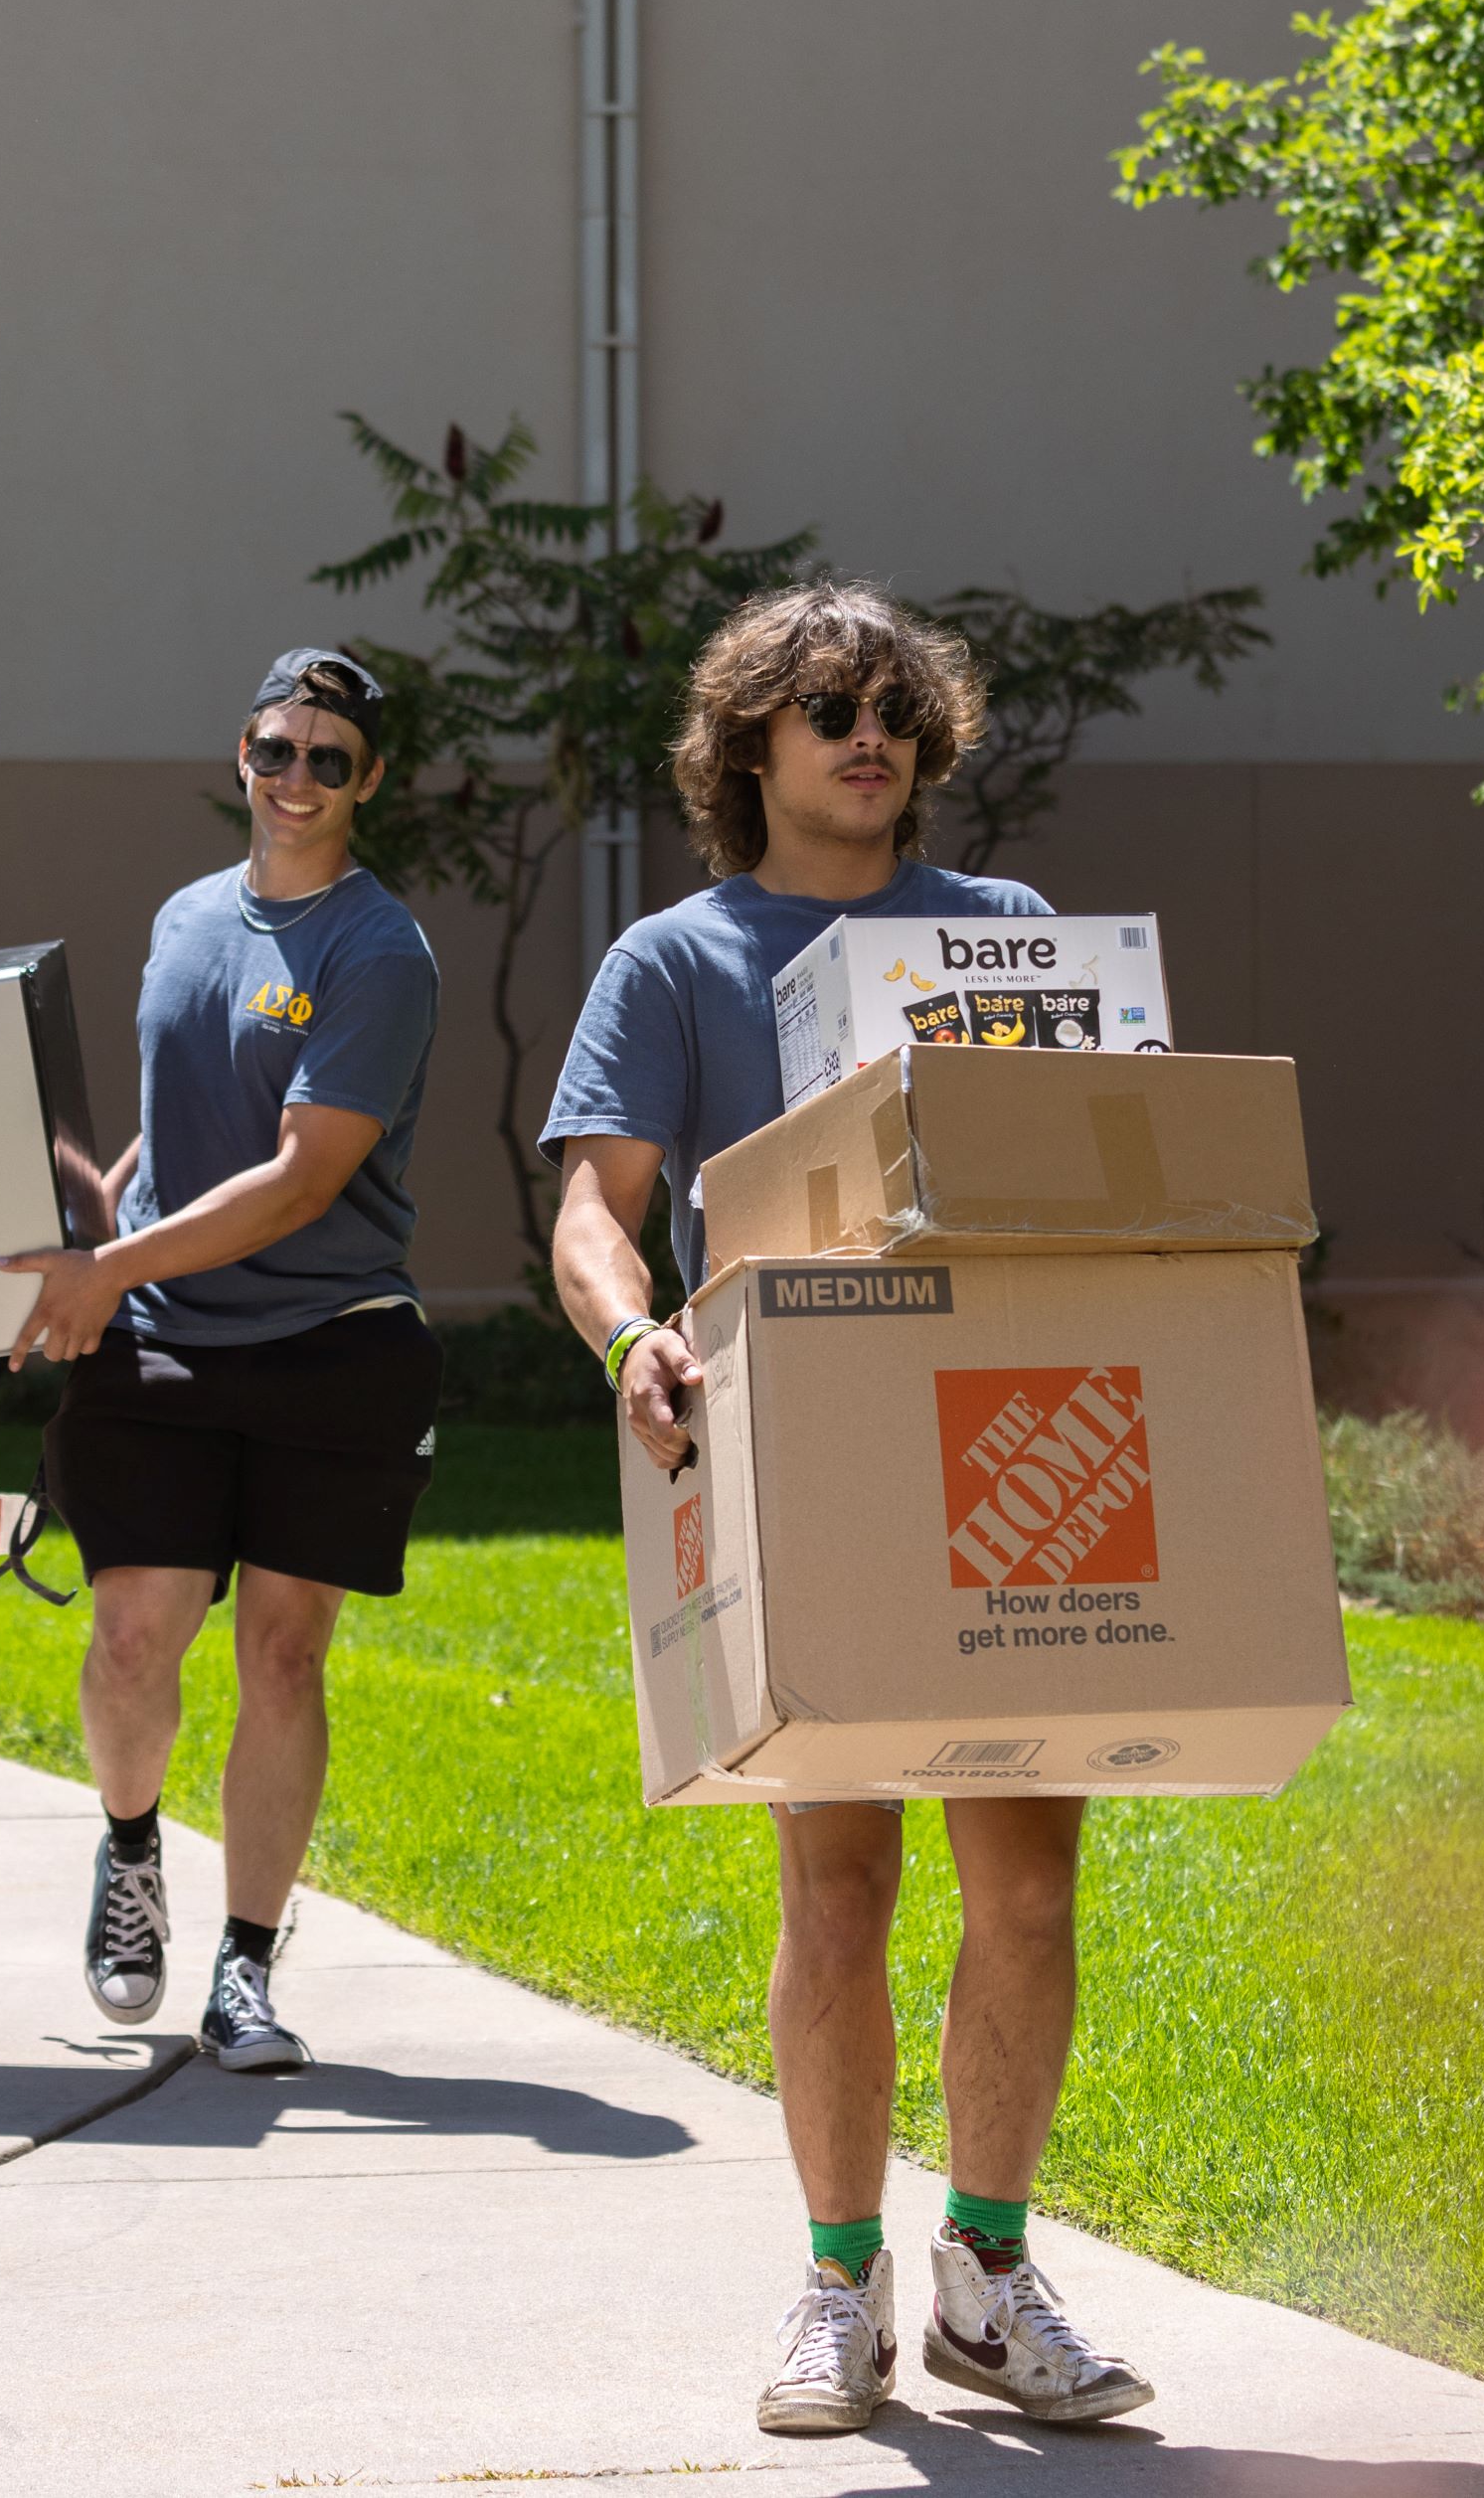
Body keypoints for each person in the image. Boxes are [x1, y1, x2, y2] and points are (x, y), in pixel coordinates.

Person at [541, 583, 1154, 2435]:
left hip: (1015, 1429)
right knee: (843, 1875)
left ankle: (984, 2269)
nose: (869, 736)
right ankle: (835, 2285)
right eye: (826, 711)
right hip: (799, 1451)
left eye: (894, 709)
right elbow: (592, 1206)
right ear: (752, 750)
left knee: (1029, 1883)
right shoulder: (674, 962)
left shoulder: (1010, 937)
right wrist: (633, 1331)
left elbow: (1099, 1157)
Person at [0, 649, 441, 2075]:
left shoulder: (380, 954)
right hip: (166, 1341)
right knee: (132, 1639)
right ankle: (132, 1853)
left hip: (328, 1346)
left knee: (283, 1656)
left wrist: (106, 1269)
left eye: (329, 758)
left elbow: (306, 1180)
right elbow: (182, 1128)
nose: (296, 778)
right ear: (239, 756)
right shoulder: (186, 920)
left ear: (368, 781)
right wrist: (98, 1216)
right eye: (276, 749)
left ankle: (246, 1967)